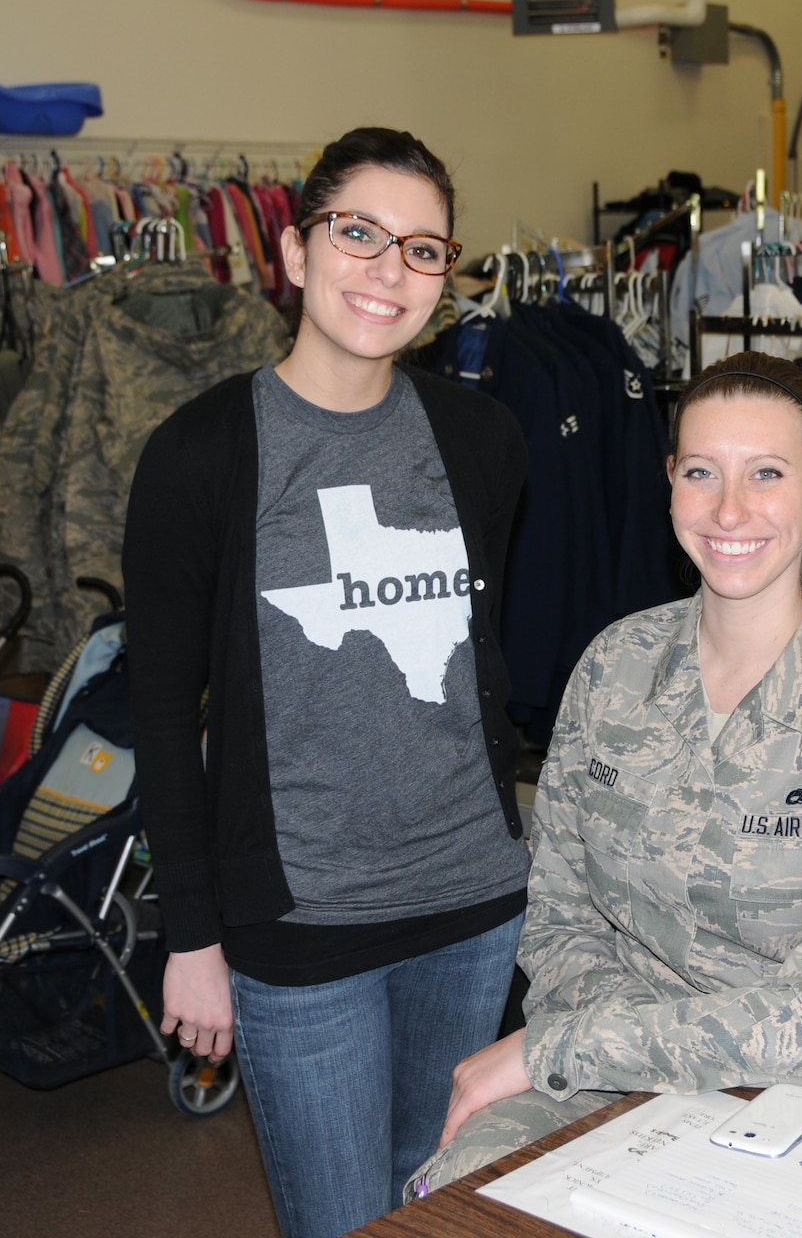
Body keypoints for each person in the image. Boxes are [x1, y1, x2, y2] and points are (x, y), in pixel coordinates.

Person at [406, 350, 802, 1197]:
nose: (730, 510)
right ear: (669, 481)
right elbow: (558, 907)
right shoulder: (613, 666)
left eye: (768, 474)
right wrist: (616, 1043)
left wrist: (568, 1045)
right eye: (701, 472)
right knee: (461, 1191)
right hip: (624, 1071)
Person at [124, 127, 530, 1238]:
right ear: (295, 254)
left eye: (422, 248)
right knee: (341, 1220)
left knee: (439, 1199)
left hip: (472, 901)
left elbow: (483, 664)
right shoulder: (200, 453)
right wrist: (190, 936)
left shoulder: (481, 436)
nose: (386, 270)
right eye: (358, 234)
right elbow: (159, 713)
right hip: (300, 922)